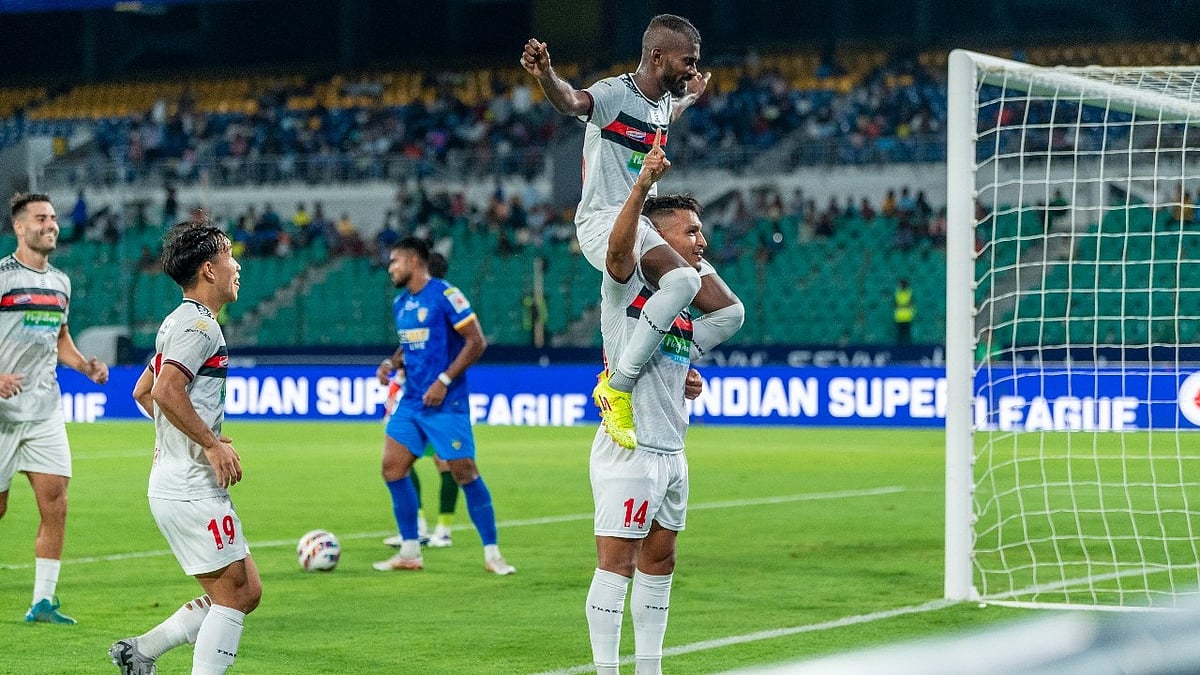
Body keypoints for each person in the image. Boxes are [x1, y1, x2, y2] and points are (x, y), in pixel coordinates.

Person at [521, 14, 744, 450]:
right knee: (683, 282)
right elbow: (571, 101)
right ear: (658, 57)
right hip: (605, 222)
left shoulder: (661, 104)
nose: (694, 69)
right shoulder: (613, 94)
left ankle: (669, 363)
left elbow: (668, 114)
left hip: (645, 222)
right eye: (688, 61)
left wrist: (691, 96)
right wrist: (546, 74)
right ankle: (617, 386)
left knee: (729, 312)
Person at [585, 131, 738, 675]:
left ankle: (649, 668)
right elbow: (619, 249)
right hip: (630, 448)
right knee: (617, 566)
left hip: (673, 450)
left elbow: (729, 312)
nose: (702, 241)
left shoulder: (679, 305)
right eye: (692, 231)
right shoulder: (625, 283)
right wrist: (642, 190)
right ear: (658, 234)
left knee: (661, 562)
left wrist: (687, 371)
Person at [111, 219, 260, 674]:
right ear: (209, 269)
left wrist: (194, 436)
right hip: (191, 488)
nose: (237, 266)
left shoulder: (179, 321)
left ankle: (141, 652)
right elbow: (164, 391)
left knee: (245, 590)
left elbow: (142, 391)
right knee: (234, 595)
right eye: (229, 256)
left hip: (178, 482)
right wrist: (209, 444)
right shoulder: (200, 326)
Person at [373, 237, 514, 575]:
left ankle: (493, 554)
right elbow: (409, 345)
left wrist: (445, 380)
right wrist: (391, 363)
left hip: (446, 403)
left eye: (394, 262)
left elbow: (476, 341)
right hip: (412, 402)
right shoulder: (401, 303)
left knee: (464, 471)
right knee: (392, 468)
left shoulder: (446, 295)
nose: (390, 269)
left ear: (413, 261)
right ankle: (410, 551)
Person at [0, 192, 110, 624]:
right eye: (41, 218)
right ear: (19, 227)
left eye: (53, 218)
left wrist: (84, 366)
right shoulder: (3, 277)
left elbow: (60, 337)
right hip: (2, 414)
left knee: (56, 503)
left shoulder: (60, 283)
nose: (51, 225)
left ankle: (42, 602)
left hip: (44, 410)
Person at [378, 249, 461, 549]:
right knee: (402, 461)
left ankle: (442, 530)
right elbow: (408, 344)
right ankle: (422, 527)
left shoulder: (444, 303)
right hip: (413, 395)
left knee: (446, 462)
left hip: (441, 398)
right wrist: (392, 363)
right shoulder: (413, 304)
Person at [894, 278, 914, 344]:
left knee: (904, 334)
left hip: (905, 316)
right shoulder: (899, 293)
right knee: (902, 334)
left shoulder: (907, 293)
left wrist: (901, 305)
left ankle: (905, 346)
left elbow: (897, 304)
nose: (899, 286)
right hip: (901, 316)